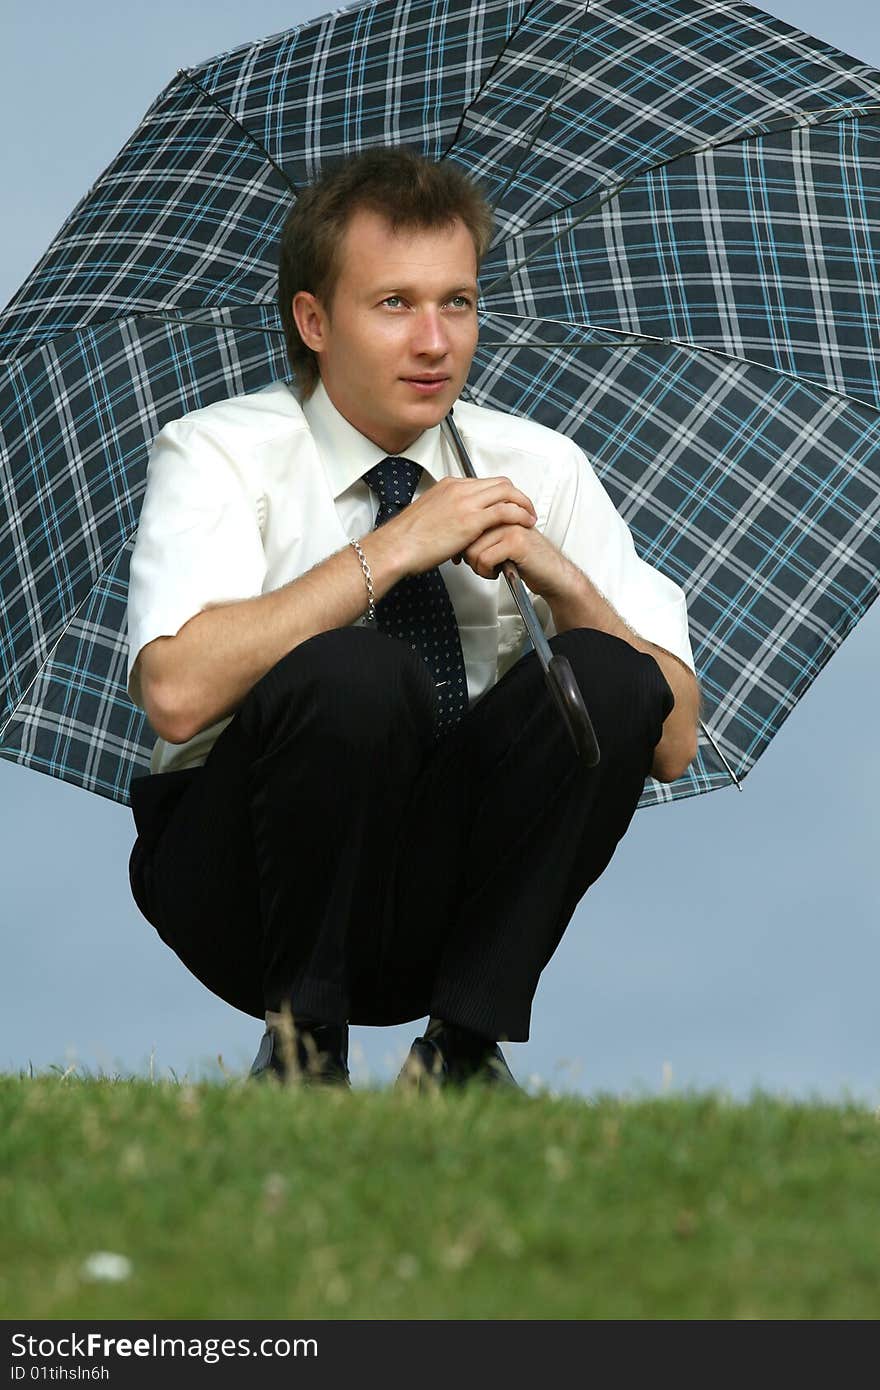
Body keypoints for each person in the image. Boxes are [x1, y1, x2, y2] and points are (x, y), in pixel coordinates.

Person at [126, 146, 701, 1092]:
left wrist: (565, 587)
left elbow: (670, 734)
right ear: (314, 319)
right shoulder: (218, 451)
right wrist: (394, 548)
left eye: (458, 303)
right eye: (394, 304)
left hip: (440, 889)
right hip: (244, 884)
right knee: (360, 672)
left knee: (606, 672)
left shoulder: (538, 466)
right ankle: (304, 1049)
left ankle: (462, 1054)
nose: (436, 342)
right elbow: (177, 697)